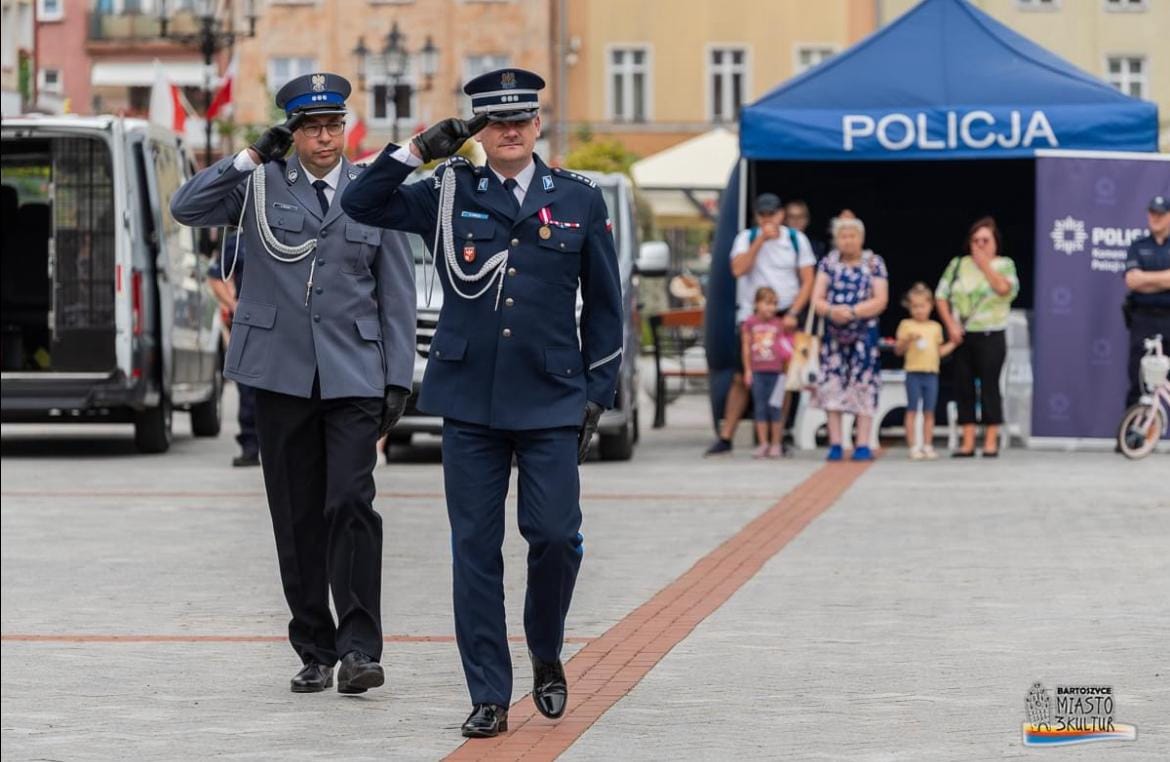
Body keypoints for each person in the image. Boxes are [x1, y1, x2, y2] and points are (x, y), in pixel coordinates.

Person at [341, 68, 622, 739]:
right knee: (475, 549)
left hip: (552, 395)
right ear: (479, 130)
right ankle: (490, 694)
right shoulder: (446, 190)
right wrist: (416, 150)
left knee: (555, 536)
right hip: (469, 399)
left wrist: (596, 391)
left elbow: (608, 307)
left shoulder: (578, 199)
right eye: (495, 122)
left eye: (521, 119)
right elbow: (361, 204)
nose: (510, 131)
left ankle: (547, 650)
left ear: (537, 124)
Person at [170, 73, 417, 695]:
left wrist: (398, 378)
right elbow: (185, 207)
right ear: (293, 132)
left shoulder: (371, 190)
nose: (325, 137)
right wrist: (251, 153)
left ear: (345, 127)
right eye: (311, 127)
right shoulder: (258, 184)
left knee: (351, 502)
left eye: (333, 125)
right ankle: (314, 644)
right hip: (278, 371)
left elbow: (396, 292)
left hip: (354, 372)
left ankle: (360, 648)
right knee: (296, 512)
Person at [704, 193, 815, 456]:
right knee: (742, 376)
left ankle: (779, 436)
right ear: (757, 216)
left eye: (773, 214)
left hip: (785, 314)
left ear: (780, 215)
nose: (768, 220)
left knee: (784, 379)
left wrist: (794, 313)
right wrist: (761, 241)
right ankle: (726, 435)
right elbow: (738, 269)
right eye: (763, 215)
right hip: (752, 318)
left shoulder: (797, 240)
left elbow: (808, 280)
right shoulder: (746, 238)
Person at [935, 216, 1019, 458]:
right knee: (963, 386)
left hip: (992, 333)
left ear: (995, 242)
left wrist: (985, 265)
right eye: (976, 240)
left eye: (985, 240)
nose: (980, 244)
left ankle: (991, 440)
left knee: (990, 386)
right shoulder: (958, 265)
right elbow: (941, 295)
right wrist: (950, 325)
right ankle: (968, 441)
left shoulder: (1004, 264)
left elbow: (1005, 290)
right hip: (962, 334)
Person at [810, 216, 889, 461]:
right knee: (833, 385)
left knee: (863, 385)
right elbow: (817, 298)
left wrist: (854, 312)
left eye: (852, 236)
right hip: (834, 336)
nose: (848, 240)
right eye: (843, 236)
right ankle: (836, 442)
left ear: (861, 239)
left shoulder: (874, 263)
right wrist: (833, 311)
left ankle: (862, 443)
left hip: (864, 335)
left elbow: (881, 299)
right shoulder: (828, 263)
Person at [207, 231, 259, 467]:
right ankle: (250, 447)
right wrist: (233, 305)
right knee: (248, 388)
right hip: (250, 323)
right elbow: (215, 277)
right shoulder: (238, 241)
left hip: (286, 325)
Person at [895, 282, 955, 460]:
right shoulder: (906, 325)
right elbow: (898, 350)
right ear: (909, 307)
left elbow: (939, 352)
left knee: (929, 411)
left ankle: (927, 445)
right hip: (913, 373)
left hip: (931, 374)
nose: (919, 310)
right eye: (914, 306)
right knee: (912, 410)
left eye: (922, 306)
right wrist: (907, 341)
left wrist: (953, 343)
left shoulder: (935, 327)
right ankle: (913, 446)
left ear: (930, 306)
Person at [1123, 194, 1170, 407]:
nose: (1156, 218)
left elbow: (1141, 279)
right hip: (1143, 320)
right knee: (1139, 380)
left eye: (1161, 214)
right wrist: (1165, 278)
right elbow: (1132, 280)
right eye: (1152, 213)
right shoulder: (1138, 245)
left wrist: (1147, 279)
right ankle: (1135, 437)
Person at [742, 286, 794, 458]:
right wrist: (748, 370)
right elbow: (746, 348)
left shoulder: (779, 324)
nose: (771, 308)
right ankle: (763, 443)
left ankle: (776, 443)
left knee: (776, 408)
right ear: (756, 303)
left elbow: (787, 347)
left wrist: (787, 371)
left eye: (774, 304)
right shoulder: (750, 323)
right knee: (760, 408)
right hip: (758, 371)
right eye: (767, 303)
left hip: (777, 373)